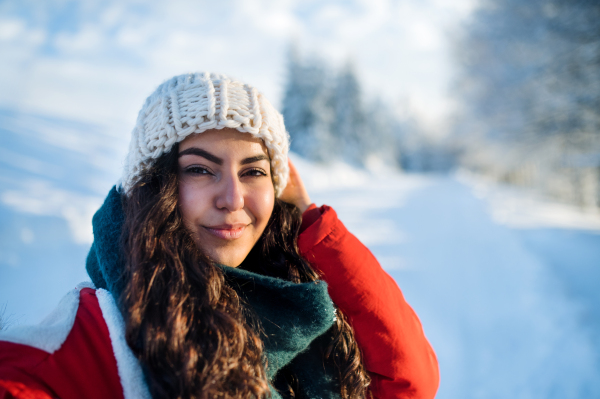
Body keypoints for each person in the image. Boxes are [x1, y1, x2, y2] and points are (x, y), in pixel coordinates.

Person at [0, 72, 439, 399]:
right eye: (199, 169)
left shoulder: (297, 306)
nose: (233, 198)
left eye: (253, 171)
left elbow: (407, 383)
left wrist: (310, 220)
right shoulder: (77, 349)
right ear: (153, 188)